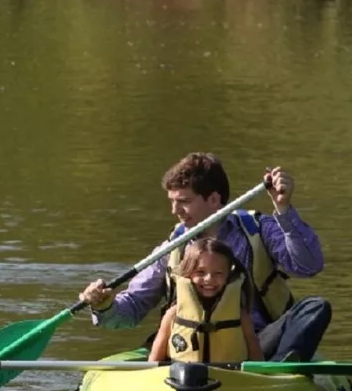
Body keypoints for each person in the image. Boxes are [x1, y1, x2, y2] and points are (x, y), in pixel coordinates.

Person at [79, 152, 331, 362]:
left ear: (213, 199)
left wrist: (283, 209)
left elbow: (309, 266)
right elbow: (131, 309)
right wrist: (105, 306)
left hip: (253, 343)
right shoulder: (172, 247)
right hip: (184, 347)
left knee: (315, 307)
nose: (174, 211)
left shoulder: (258, 229)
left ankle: (276, 375)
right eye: (172, 201)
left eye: (184, 201)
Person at [148, 237, 262, 364]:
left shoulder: (239, 314)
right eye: (200, 272)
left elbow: (253, 346)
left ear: (228, 276)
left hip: (230, 376)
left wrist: (263, 375)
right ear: (188, 272)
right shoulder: (173, 314)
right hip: (182, 377)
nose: (209, 279)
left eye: (218, 273)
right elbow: (156, 356)